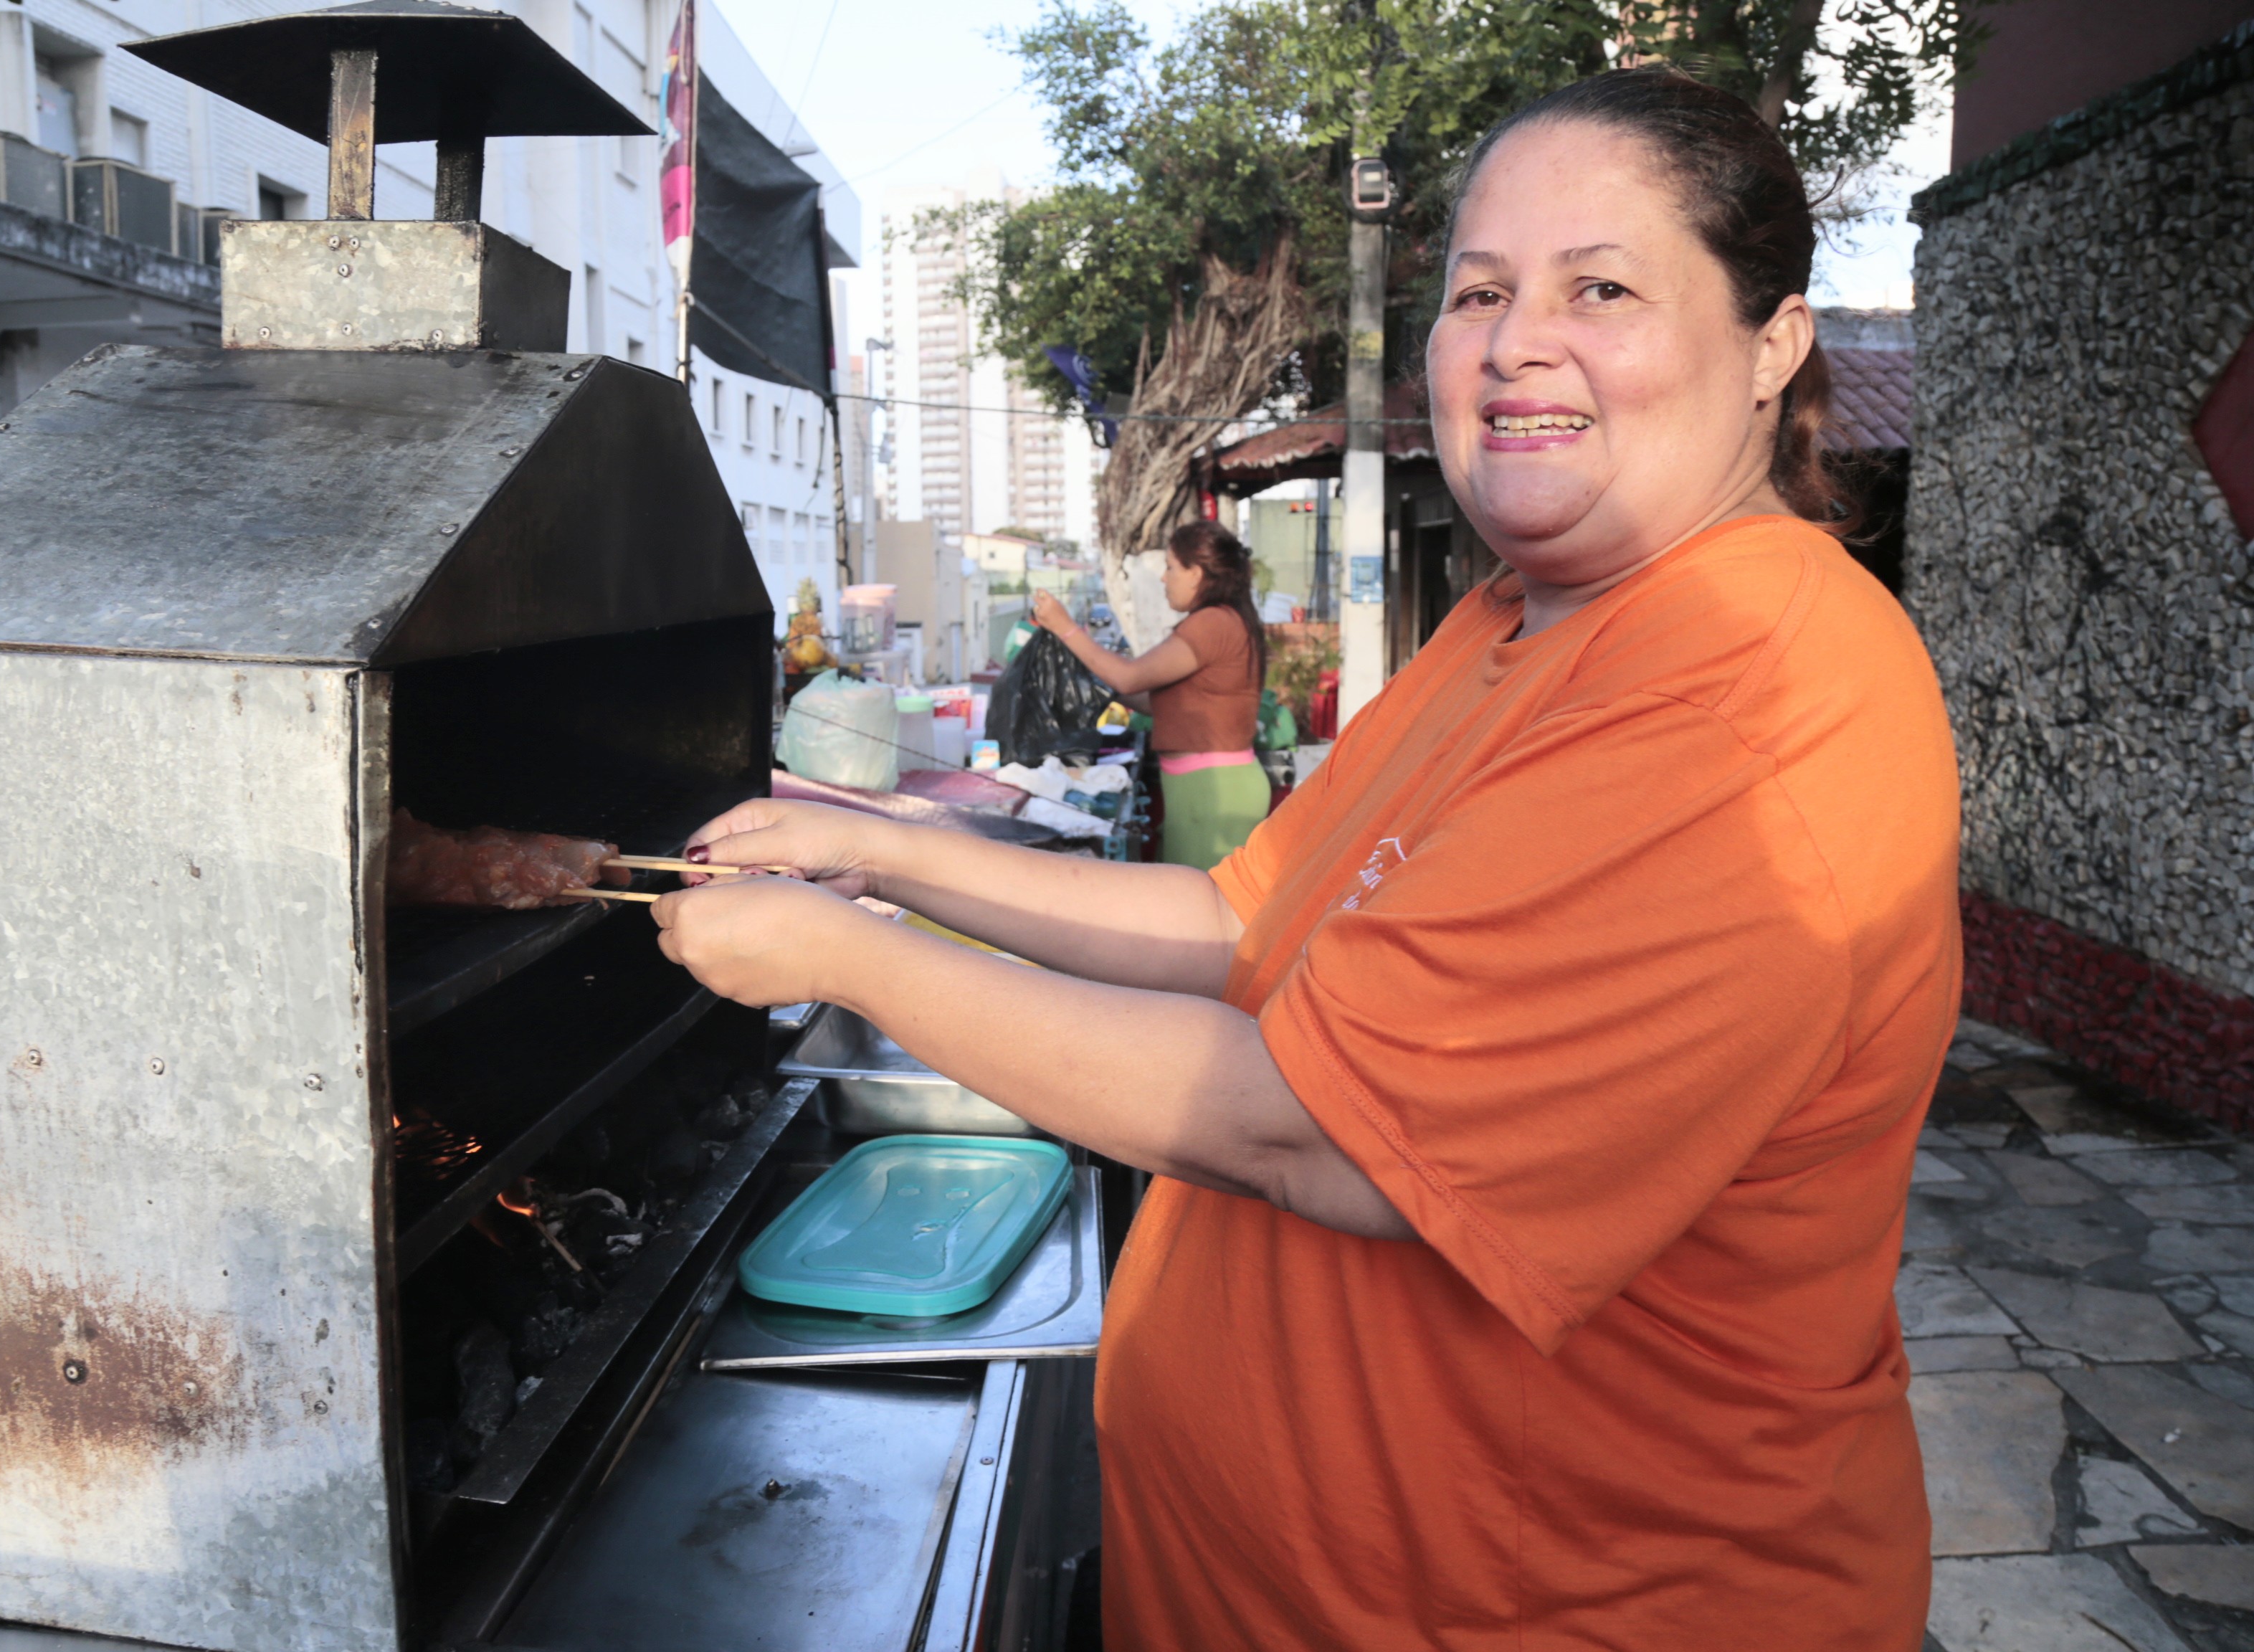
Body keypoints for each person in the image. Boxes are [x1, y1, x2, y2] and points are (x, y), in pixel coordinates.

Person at [651, 66, 1956, 1650]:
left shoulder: (1755, 680)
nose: (1517, 340)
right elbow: (1230, 918)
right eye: (1480, 291)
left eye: (1600, 288)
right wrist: (887, 851)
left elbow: (1319, 1141)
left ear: (1773, 346)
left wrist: (848, 954)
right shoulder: (1509, 628)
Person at [1026, 523, 1270, 868]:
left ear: (1196, 574)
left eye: (1170, 568)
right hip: (1202, 788)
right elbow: (1155, 701)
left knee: (1198, 911)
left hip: (1215, 792)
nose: (1163, 579)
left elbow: (1129, 677)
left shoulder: (1213, 622)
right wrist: (1092, 684)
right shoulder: (1225, 620)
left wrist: (1066, 628)